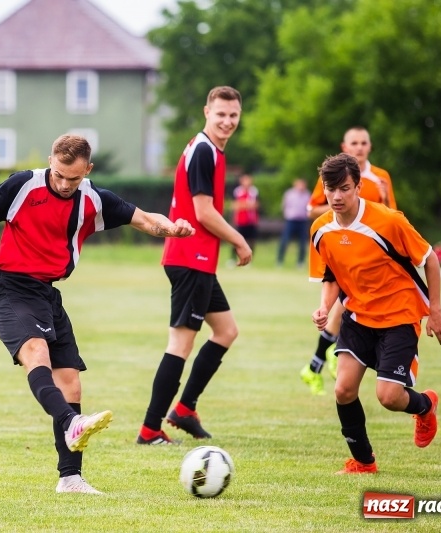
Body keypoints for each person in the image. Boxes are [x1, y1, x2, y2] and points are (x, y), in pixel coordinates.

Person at [0, 134, 195, 494]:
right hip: (10, 288)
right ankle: (70, 421)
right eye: (59, 174)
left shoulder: (94, 199)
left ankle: (70, 478)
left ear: (88, 169)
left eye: (73, 178)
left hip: (47, 295)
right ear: (50, 161)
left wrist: (171, 228)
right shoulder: (24, 185)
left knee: (70, 381)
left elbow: (143, 219)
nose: (64, 184)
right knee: (36, 352)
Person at [309, 152, 441, 474]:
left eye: (344, 188)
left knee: (388, 397)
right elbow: (331, 274)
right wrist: (325, 306)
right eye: (330, 189)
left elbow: (430, 259)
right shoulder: (320, 229)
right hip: (358, 317)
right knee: (343, 390)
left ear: (358, 187)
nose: (336, 196)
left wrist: (436, 310)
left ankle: (425, 405)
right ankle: (364, 462)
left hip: (398, 317)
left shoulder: (389, 221)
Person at [137, 86, 252, 445]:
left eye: (233, 115)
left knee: (226, 331)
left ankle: (185, 409)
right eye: (221, 114)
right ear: (207, 112)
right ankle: (150, 430)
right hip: (190, 259)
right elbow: (204, 213)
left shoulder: (211, 150)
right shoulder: (203, 150)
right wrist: (239, 239)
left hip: (198, 261)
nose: (227, 121)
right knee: (180, 344)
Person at [300, 127, 396, 395]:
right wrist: (340, 201)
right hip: (342, 252)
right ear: (345, 146)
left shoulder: (380, 177)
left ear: (370, 146)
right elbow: (312, 210)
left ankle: (315, 365)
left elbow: (393, 217)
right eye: (354, 143)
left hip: (372, 259)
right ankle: (330, 356)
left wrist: (384, 198)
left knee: (344, 307)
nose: (359, 147)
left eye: (364, 142)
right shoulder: (333, 176)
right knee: (344, 304)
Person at [276, 178, 311, 267]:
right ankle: (279, 260)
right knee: (285, 240)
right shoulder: (289, 194)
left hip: (302, 221)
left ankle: (300, 262)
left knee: (302, 242)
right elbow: (284, 206)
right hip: (291, 220)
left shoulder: (307, 194)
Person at [231, 173, 259, 264]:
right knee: (235, 240)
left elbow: (256, 205)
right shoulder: (237, 191)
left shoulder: (254, 191)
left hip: (251, 221)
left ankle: (249, 260)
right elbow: (235, 205)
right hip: (240, 220)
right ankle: (233, 259)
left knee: (251, 241)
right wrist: (246, 205)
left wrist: (243, 205)